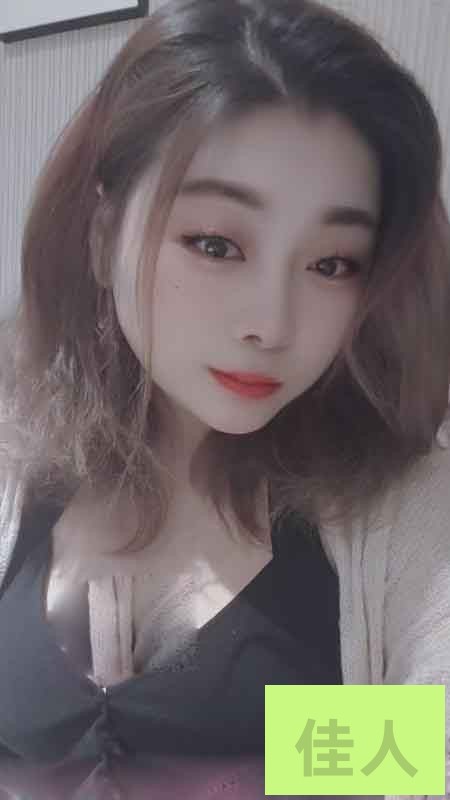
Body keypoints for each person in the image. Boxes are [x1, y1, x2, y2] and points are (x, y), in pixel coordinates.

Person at [0, 0, 449, 797]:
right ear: (103, 237)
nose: (271, 324)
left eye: (332, 263)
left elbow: (420, 761)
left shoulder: (404, 516)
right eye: (216, 244)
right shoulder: (18, 456)